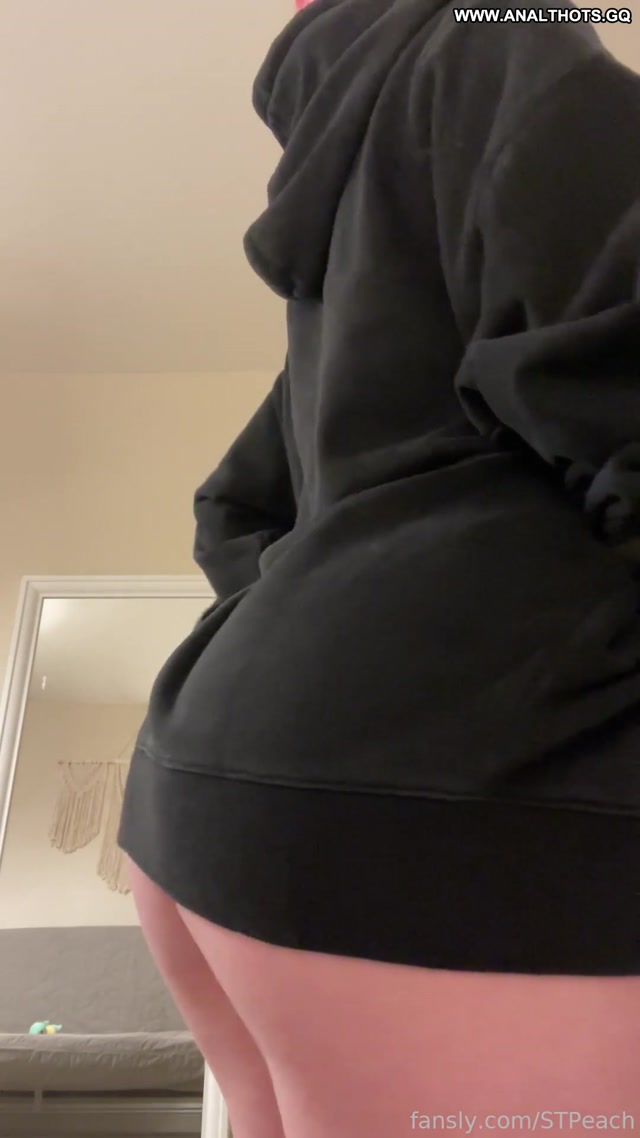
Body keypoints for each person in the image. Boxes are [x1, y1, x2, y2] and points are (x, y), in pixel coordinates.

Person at [119, 0, 640, 1133]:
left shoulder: (347, 276)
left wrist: (319, 662)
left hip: (215, 788)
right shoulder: (507, 37)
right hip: (455, 804)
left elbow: (234, 510)